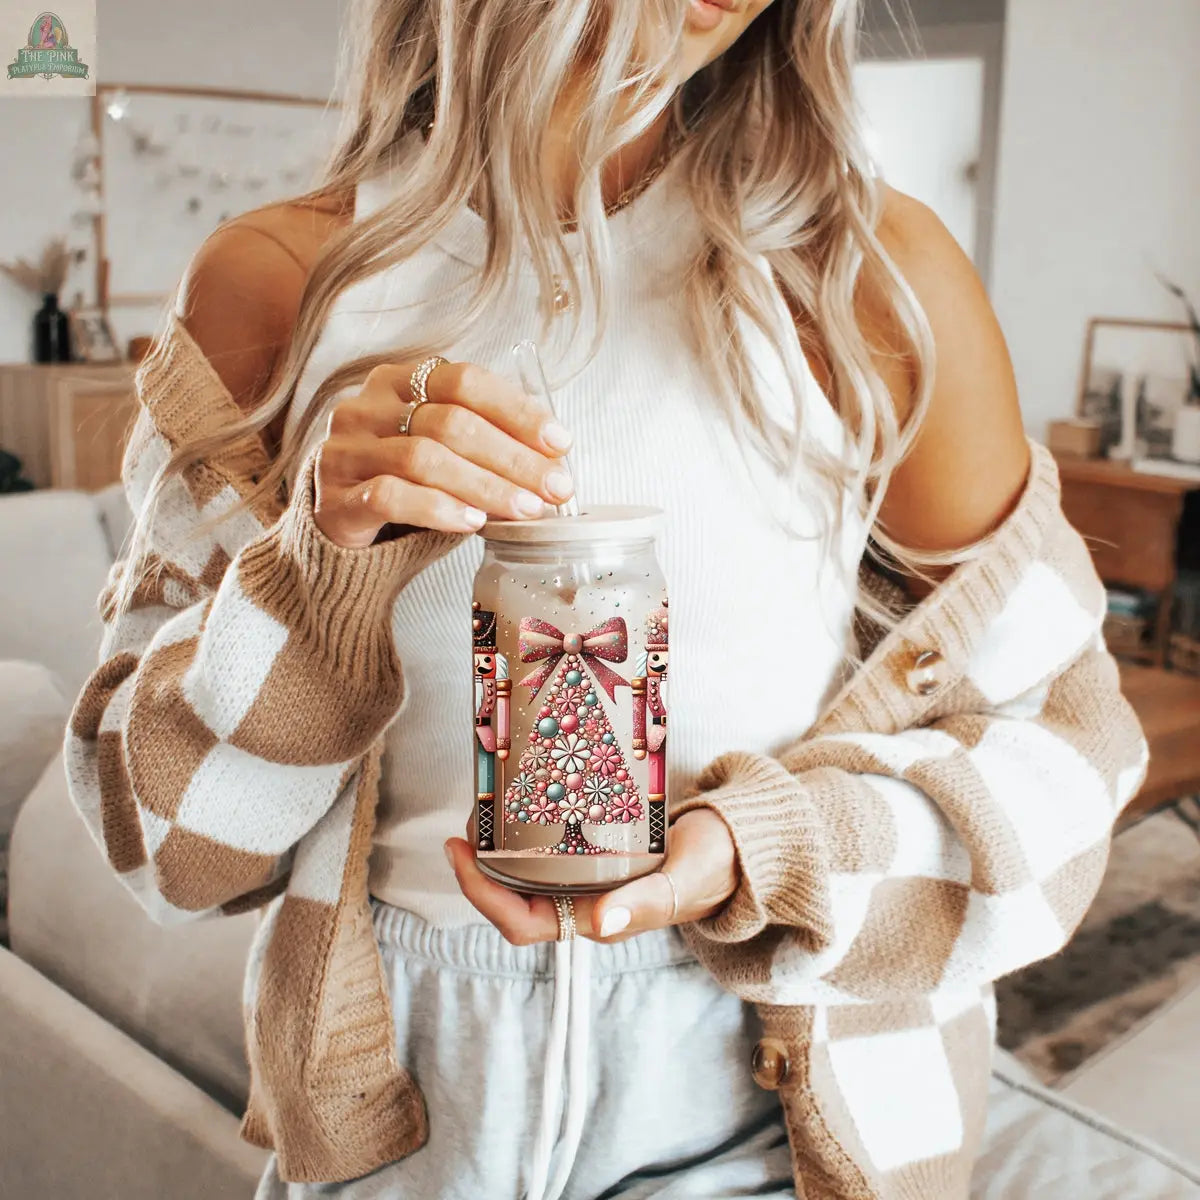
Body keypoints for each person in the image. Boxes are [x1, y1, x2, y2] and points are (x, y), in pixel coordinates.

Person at [63, 2, 1148, 1198]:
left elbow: (1071, 758)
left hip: (776, 1106)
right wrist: (320, 562)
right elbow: (162, 851)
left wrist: (766, 852)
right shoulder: (279, 286)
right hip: (407, 1122)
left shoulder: (867, 281)